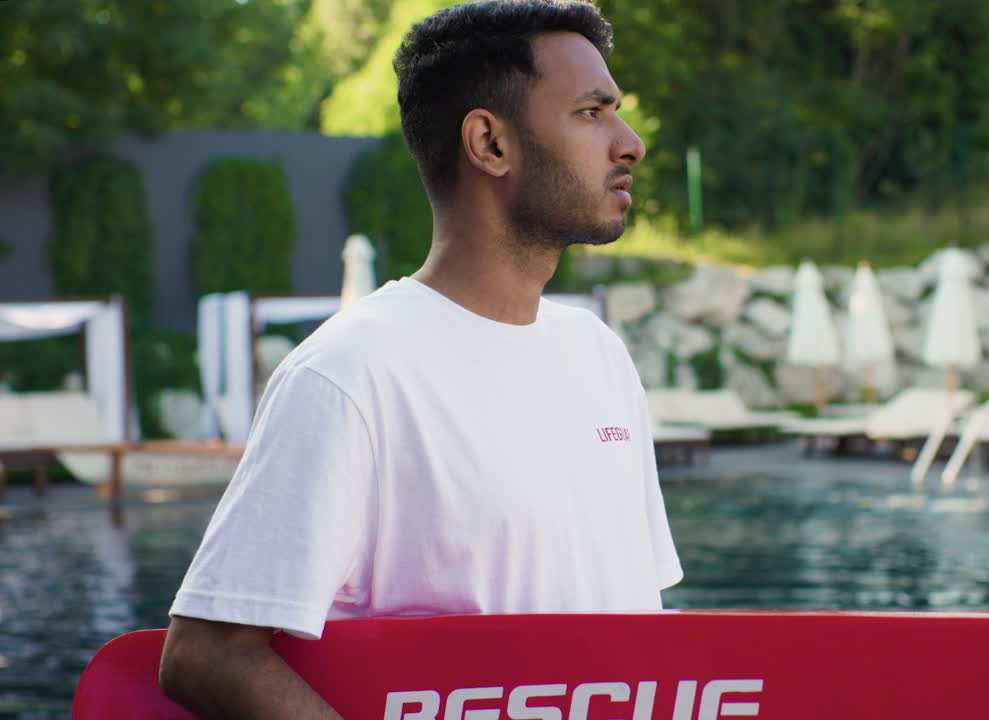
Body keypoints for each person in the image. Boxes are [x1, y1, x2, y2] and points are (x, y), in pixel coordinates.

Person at [157, 1, 682, 716]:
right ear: (490, 143)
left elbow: (636, 622)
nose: (629, 143)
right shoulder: (349, 373)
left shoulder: (600, 355)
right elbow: (206, 652)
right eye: (592, 113)